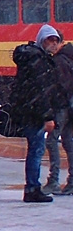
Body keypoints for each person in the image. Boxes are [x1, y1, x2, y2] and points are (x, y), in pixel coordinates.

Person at [9, 24, 60, 202]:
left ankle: (32, 187)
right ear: (42, 41)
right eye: (50, 40)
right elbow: (41, 91)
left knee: (35, 150)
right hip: (33, 114)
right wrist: (47, 117)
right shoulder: (38, 60)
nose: (54, 44)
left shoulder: (32, 57)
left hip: (28, 111)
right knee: (36, 150)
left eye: (56, 40)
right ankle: (32, 188)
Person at [47, 35, 73, 194]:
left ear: (55, 42)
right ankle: (72, 181)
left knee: (51, 140)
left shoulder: (59, 61)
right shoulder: (69, 55)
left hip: (63, 107)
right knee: (68, 141)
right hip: (71, 105)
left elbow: (60, 86)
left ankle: (54, 180)